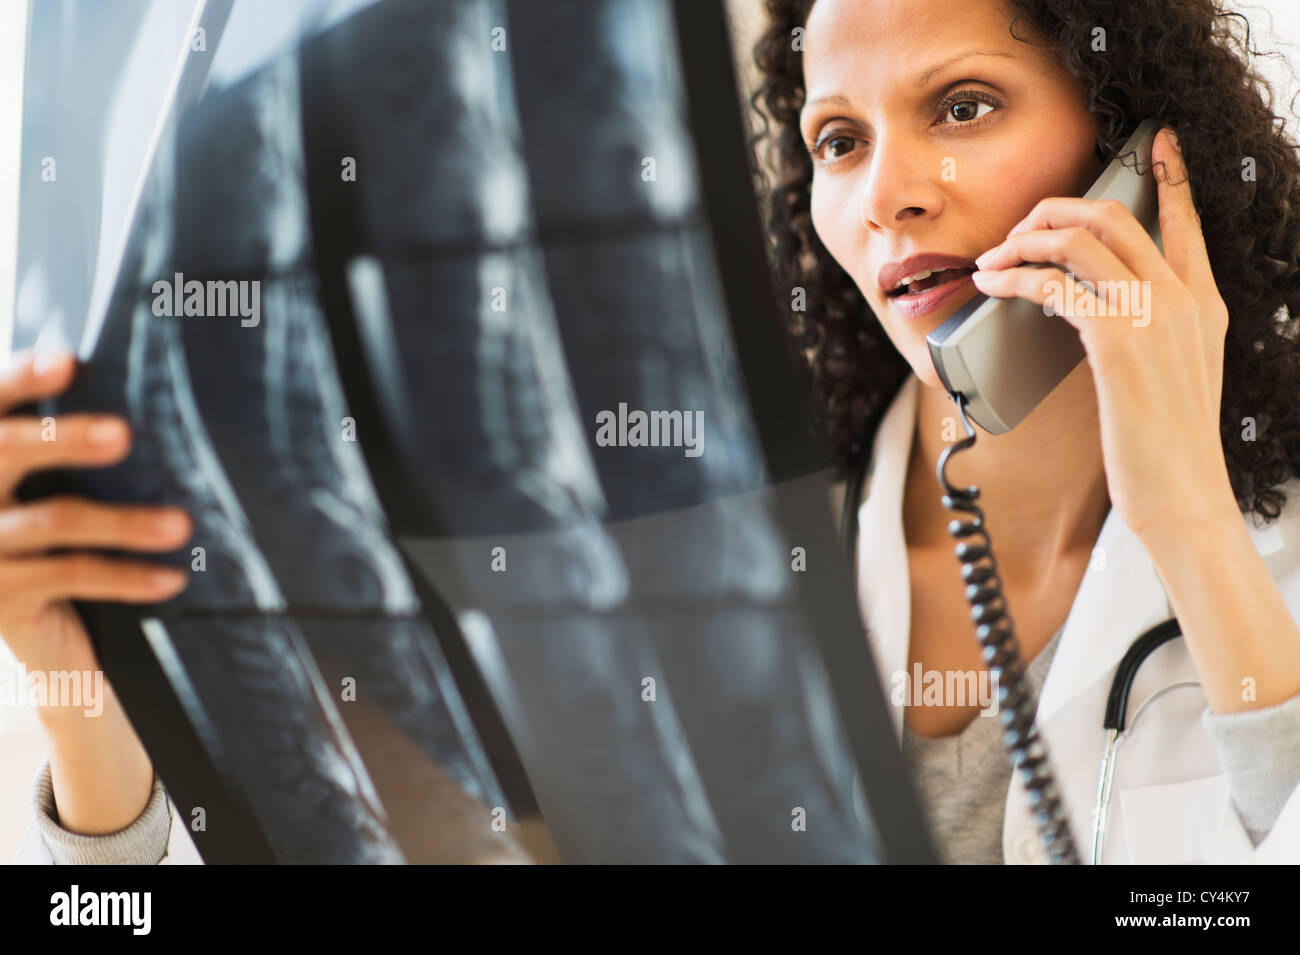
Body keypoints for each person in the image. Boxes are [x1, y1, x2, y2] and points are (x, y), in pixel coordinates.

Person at [750, 0, 1300, 862]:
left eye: (962, 107)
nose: (886, 199)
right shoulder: (753, 547)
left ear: (1132, 148)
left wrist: (1191, 519)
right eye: (840, 140)